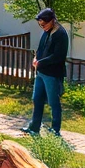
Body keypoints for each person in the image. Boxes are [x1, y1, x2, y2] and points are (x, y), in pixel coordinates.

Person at [22, 8, 68, 136]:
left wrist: (41, 62)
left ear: (52, 21)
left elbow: (58, 56)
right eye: (40, 25)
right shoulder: (46, 31)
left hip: (52, 74)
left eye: (44, 24)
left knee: (53, 102)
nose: (43, 27)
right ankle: (34, 127)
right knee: (37, 99)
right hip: (41, 73)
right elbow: (41, 48)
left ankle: (55, 130)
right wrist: (36, 58)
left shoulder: (60, 34)